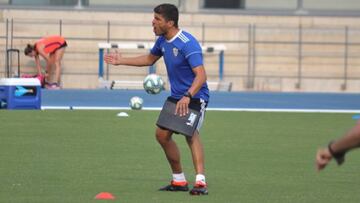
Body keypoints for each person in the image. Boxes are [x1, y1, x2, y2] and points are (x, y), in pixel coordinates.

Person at [104, 3, 209, 195]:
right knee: (161, 135)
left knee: (189, 132)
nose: (153, 22)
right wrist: (121, 61)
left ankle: (201, 182)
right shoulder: (162, 40)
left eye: (157, 19)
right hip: (177, 97)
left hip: (195, 96)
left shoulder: (187, 42)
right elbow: (149, 59)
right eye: (154, 18)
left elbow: (201, 75)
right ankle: (179, 181)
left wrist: (188, 95)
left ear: (170, 23)